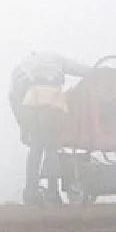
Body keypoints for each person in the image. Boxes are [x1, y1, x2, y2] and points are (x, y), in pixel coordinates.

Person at [9, 51, 91, 207]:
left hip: (31, 100)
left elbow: (14, 96)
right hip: (54, 100)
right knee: (51, 147)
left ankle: (31, 192)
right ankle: (52, 194)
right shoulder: (56, 58)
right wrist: (101, 72)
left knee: (35, 148)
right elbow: (82, 70)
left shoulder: (22, 66)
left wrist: (23, 125)